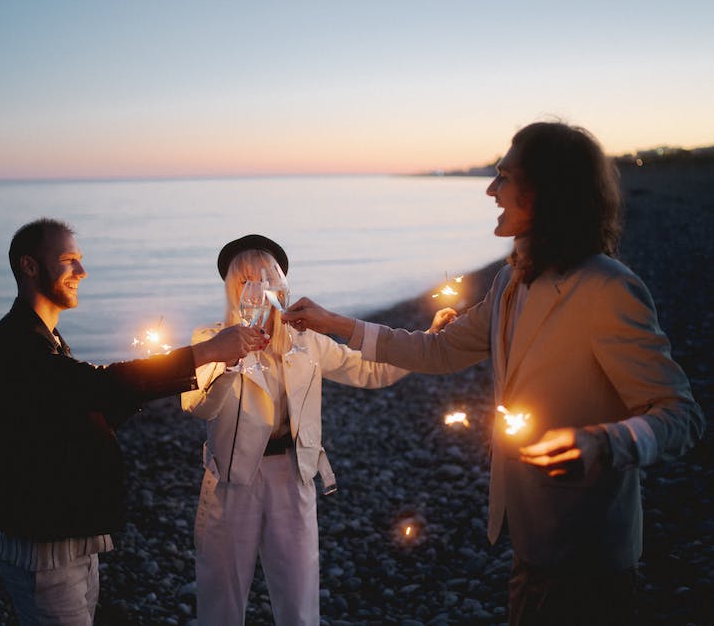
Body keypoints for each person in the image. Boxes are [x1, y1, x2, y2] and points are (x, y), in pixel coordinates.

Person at [283, 122, 705, 625]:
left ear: (546, 191)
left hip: (588, 551)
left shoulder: (607, 289)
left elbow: (681, 414)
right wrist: (337, 324)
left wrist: (605, 443)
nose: (490, 190)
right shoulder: (511, 279)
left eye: (503, 177)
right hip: (530, 535)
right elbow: (439, 351)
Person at [0, 218, 266, 625]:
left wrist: (143, 388)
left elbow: (89, 407)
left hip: (70, 535)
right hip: (43, 546)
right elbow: (99, 385)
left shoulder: (47, 340)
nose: (82, 272)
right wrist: (202, 353)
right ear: (29, 266)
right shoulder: (18, 344)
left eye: (79, 260)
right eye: (68, 260)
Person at [181, 234, 452, 625]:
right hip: (231, 477)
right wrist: (227, 360)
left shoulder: (306, 341)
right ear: (231, 290)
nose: (258, 290)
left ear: (282, 283)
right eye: (246, 281)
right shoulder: (210, 340)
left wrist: (427, 340)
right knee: (221, 594)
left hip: (293, 472)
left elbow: (369, 370)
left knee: (299, 593)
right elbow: (196, 405)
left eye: (267, 277)